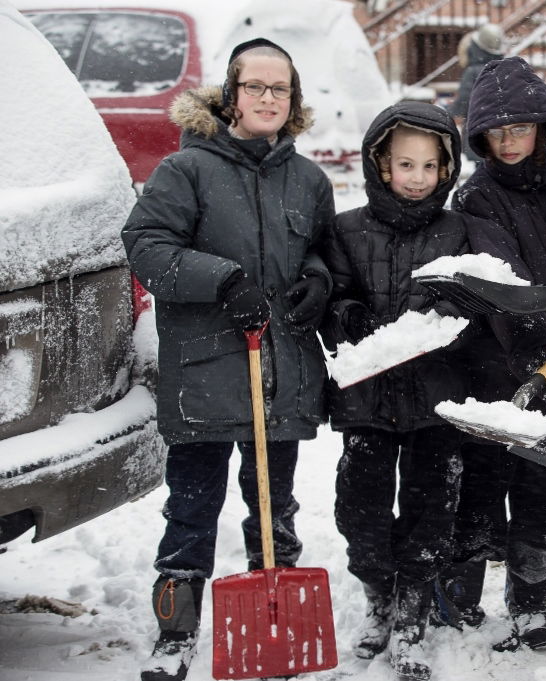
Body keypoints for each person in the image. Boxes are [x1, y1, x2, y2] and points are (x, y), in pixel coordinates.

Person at [122, 38, 335, 681]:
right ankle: (176, 630)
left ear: (293, 102)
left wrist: (318, 282)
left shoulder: (309, 178)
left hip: (282, 375)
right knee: (191, 506)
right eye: (256, 87)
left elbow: (322, 252)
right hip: (208, 373)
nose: (268, 99)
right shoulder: (186, 171)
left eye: (281, 89)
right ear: (230, 94)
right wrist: (220, 278)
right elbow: (145, 246)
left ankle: (275, 612)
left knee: (275, 504)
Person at [321, 100, 516, 681]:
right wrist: (346, 313)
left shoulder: (459, 232)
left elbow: (486, 303)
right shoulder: (348, 229)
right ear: (381, 165)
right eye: (405, 165)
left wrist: (454, 312)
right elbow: (331, 291)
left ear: (446, 170)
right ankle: (379, 597)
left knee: (433, 511)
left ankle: (412, 614)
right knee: (362, 509)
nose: (417, 178)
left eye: (430, 167)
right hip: (368, 402)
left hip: (437, 400)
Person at [437, 55, 546, 652]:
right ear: (481, 138)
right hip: (496, 361)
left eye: (520, 128)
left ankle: (531, 600)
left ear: (542, 126)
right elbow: (504, 282)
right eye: (497, 132)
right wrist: (533, 357)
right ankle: (461, 594)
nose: (510, 142)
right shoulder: (477, 197)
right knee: (484, 479)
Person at [448, 23, 504, 162]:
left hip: (477, 129)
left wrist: (449, 112)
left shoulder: (473, 72)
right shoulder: (501, 69)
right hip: (498, 130)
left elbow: (464, 102)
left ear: (474, 48)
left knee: (480, 168)